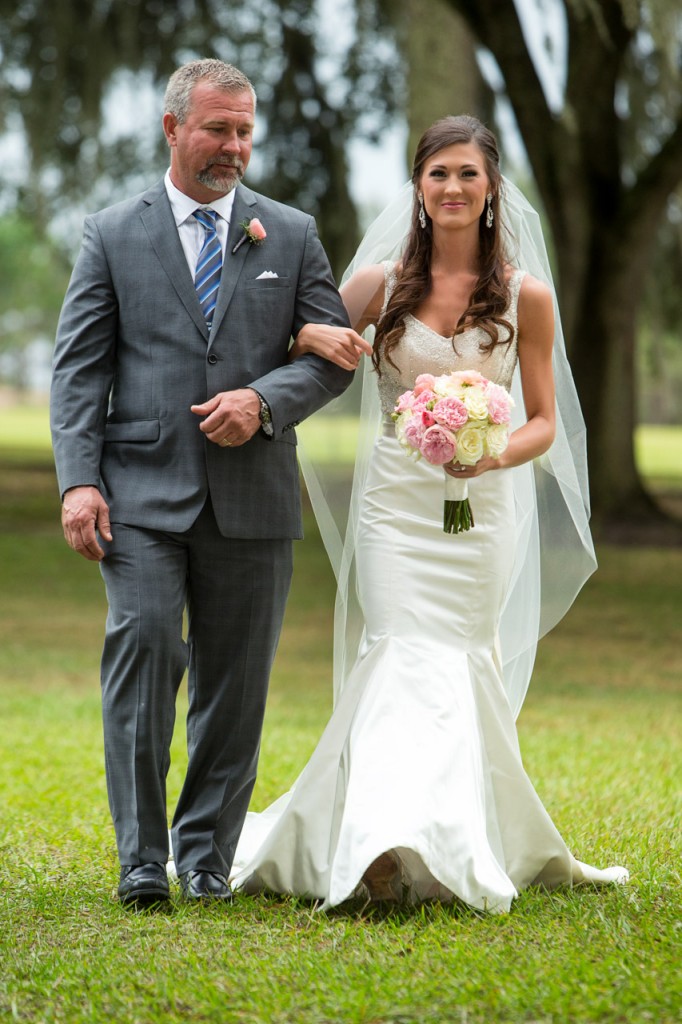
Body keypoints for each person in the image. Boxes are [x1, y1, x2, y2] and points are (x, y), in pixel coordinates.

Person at [228, 115, 628, 912]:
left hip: (480, 516)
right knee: (400, 649)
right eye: (438, 173)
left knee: (457, 661)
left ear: (490, 192)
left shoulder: (527, 297)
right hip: (394, 511)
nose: (451, 187)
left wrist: (494, 453)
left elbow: (544, 418)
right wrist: (312, 325)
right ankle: (376, 847)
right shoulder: (378, 284)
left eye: (467, 175)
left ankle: (445, 838)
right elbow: (298, 353)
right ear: (418, 186)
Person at [50, 58, 352, 907]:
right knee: (144, 649)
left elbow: (334, 357)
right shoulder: (112, 232)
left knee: (236, 683)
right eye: (218, 128)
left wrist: (262, 400)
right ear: (173, 128)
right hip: (138, 492)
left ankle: (206, 856)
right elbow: (79, 372)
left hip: (254, 495)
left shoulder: (289, 233)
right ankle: (142, 858)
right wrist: (79, 482)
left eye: (245, 130)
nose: (234, 147)